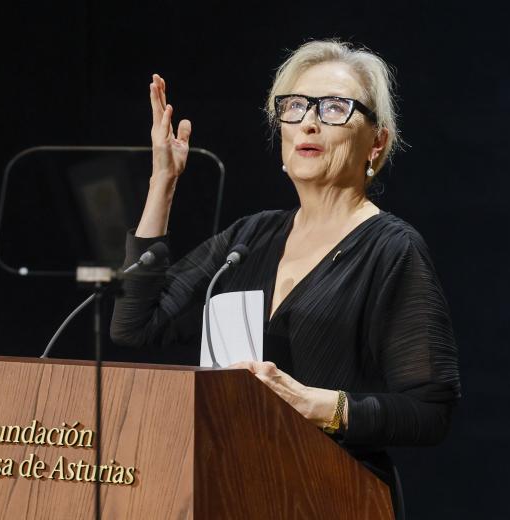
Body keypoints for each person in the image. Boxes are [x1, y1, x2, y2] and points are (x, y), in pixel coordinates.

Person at [110, 39, 461, 517]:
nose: (309, 122)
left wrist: (318, 406)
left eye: (335, 107)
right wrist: (162, 183)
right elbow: (136, 324)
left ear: (377, 142)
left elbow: (430, 411)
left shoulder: (391, 249)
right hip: (229, 489)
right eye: (294, 107)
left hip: (330, 496)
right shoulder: (250, 237)